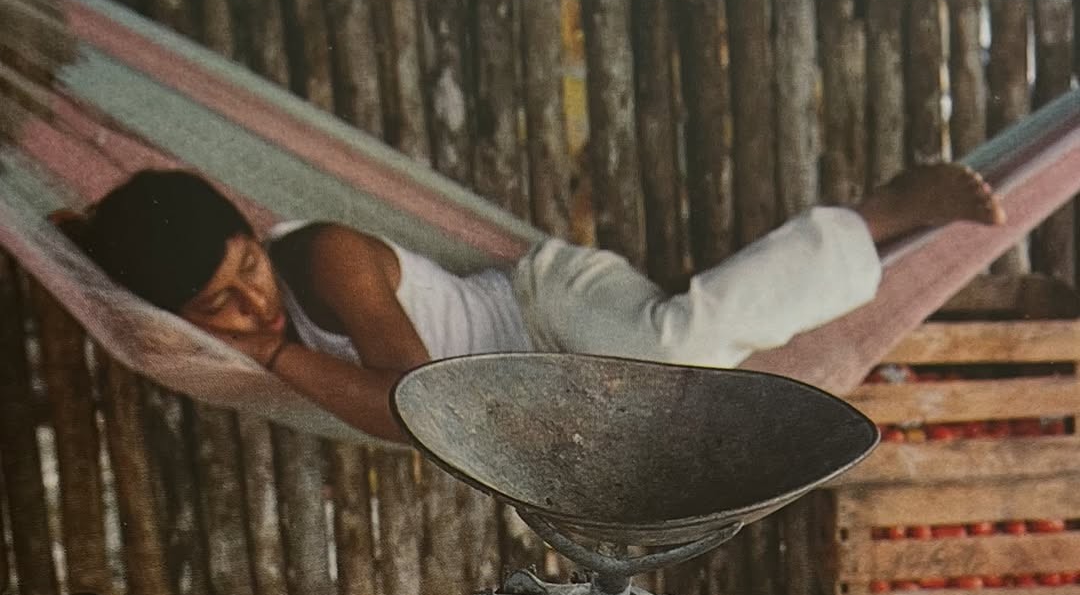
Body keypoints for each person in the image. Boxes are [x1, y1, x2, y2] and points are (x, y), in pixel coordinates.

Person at [61, 165, 1004, 444]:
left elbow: (414, 404)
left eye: (245, 270)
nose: (250, 303)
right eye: (216, 307)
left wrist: (270, 354)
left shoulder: (324, 257)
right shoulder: (196, 317)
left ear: (253, 233)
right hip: (530, 390)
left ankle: (882, 210)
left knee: (679, 340)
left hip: (541, 309)